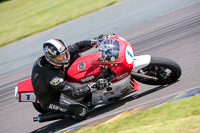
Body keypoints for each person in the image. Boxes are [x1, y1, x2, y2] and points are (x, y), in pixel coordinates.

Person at [31, 38, 106, 121]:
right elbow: (73, 93)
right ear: (51, 58)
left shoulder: (59, 54)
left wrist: (94, 42)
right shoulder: (53, 77)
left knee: (75, 55)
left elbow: (77, 46)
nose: (64, 58)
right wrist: (94, 86)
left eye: (64, 54)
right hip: (53, 98)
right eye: (59, 57)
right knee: (82, 112)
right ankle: (67, 113)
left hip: (56, 79)